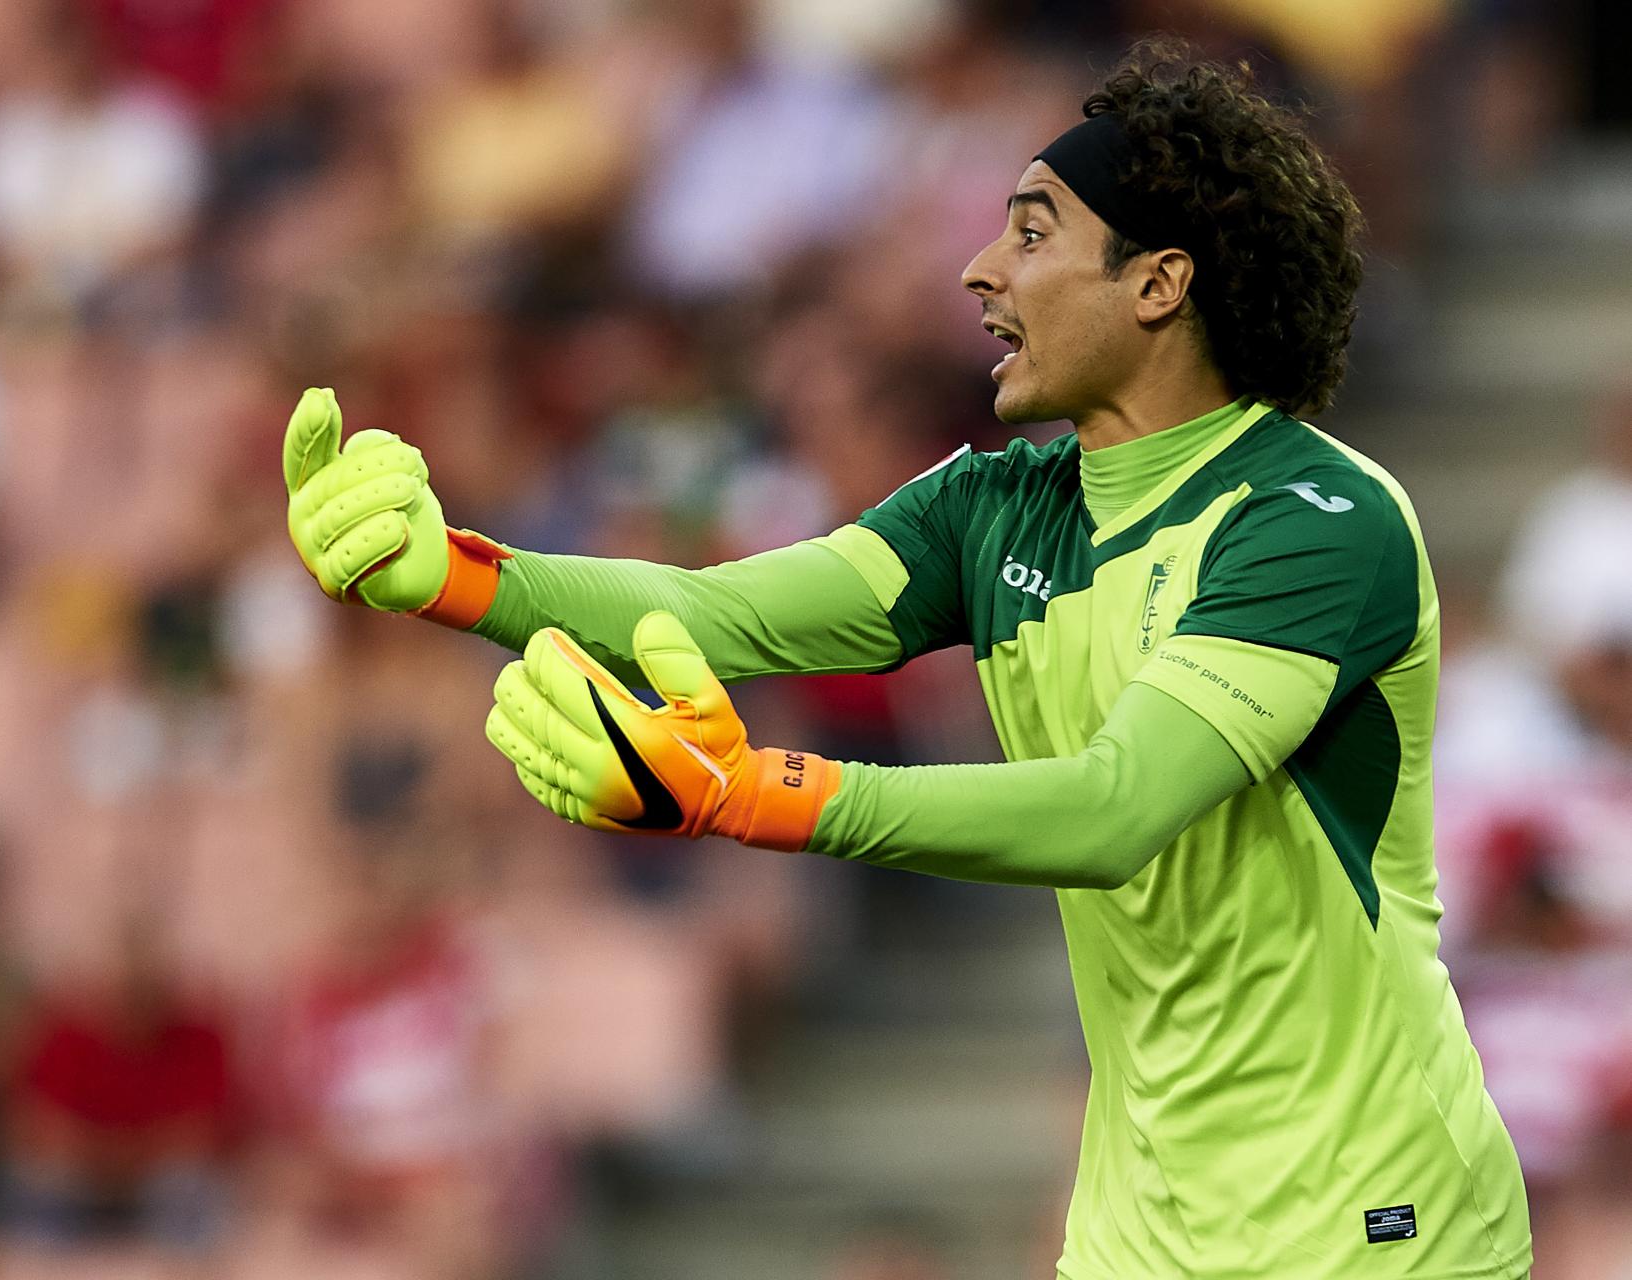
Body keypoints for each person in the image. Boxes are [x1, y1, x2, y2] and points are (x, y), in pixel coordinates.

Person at [282, 40, 1532, 1280]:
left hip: (1374, 1219)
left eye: (1032, 234)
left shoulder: (1312, 519)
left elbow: (1112, 808)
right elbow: (709, 611)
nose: (981, 271)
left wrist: (752, 793)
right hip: (1138, 1230)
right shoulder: (988, 510)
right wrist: (445, 572)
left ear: (1156, 282)